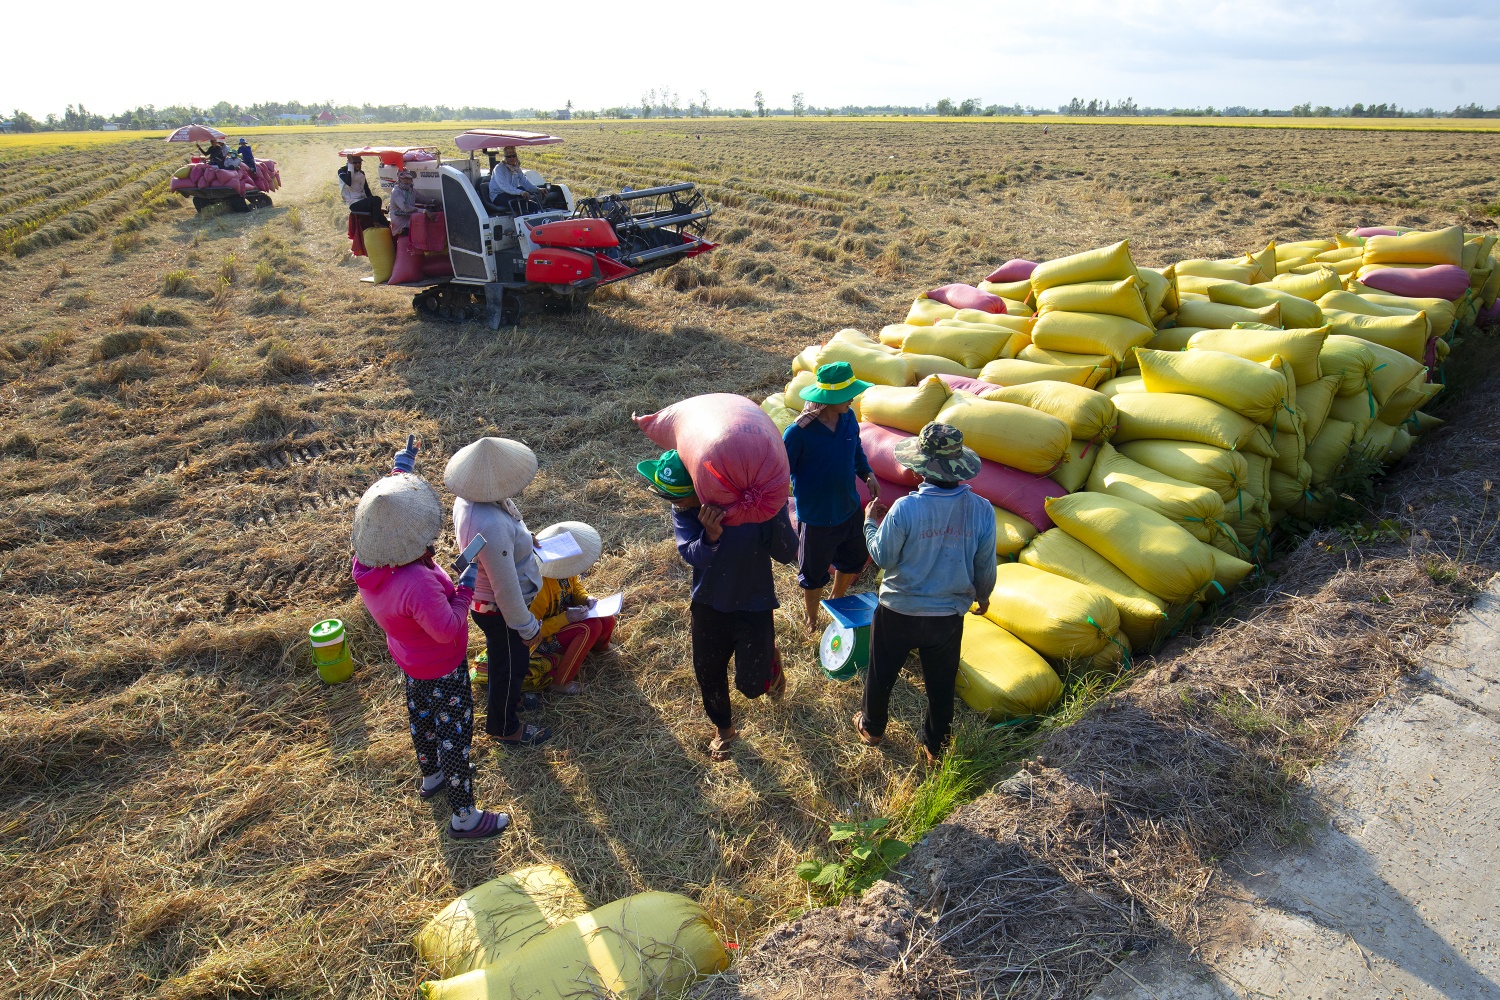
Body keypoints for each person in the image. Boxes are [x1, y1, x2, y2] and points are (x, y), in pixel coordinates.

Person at [349, 436, 509, 840]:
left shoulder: (370, 562)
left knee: (421, 717)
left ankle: (432, 775)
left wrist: (402, 467)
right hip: (441, 666)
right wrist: (465, 587)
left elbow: (390, 510)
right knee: (454, 734)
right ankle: (464, 816)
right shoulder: (416, 583)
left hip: (410, 660)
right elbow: (448, 627)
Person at [638, 449, 796, 761]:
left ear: (701, 489)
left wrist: (774, 507)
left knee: (752, 686)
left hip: (755, 602)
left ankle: (769, 660)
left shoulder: (752, 506)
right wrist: (710, 536)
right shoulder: (685, 511)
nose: (674, 504)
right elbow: (690, 554)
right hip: (709, 602)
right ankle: (724, 729)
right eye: (668, 498)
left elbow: (786, 553)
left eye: (678, 497)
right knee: (708, 672)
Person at [855, 423, 997, 767]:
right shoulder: (982, 510)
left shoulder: (905, 508)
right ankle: (935, 747)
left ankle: (872, 729)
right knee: (941, 683)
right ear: (958, 468)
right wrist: (983, 595)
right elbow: (985, 565)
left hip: (898, 611)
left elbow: (883, 557)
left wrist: (870, 524)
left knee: (881, 673)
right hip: (946, 617)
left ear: (920, 467)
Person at [446, 437, 552, 747]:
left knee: (506, 659)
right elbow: (505, 588)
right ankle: (504, 727)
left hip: (492, 607)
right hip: (500, 611)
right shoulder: (489, 524)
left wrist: (523, 538)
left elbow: (509, 523)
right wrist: (527, 627)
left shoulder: (471, 499)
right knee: (509, 667)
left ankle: (511, 699)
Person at [783, 361, 879, 631]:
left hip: (849, 507)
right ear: (827, 399)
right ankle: (811, 617)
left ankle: (837, 596)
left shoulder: (848, 418)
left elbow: (856, 450)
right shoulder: (798, 434)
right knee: (813, 573)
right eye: (846, 395)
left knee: (854, 557)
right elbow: (782, 473)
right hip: (817, 517)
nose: (852, 399)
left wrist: (867, 473)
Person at [525, 521, 616, 694]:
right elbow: (531, 631)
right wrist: (566, 619)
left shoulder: (565, 569)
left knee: (607, 619)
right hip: (541, 642)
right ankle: (560, 682)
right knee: (589, 628)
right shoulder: (539, 588)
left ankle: (599, 649)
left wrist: (586, 598)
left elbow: (574, 587)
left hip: (564, 617)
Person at [487, 145, 541, 214]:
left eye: (513, 156)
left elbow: (525, 182)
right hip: (498, 195)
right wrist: (521, 192)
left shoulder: (516, 168)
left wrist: (538, 189)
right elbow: (504, 186)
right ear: (505, 157)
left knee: (534, 205)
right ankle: (522, 217)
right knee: (520, 203)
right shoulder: (499, 169)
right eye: (509, 156)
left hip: (511, 194)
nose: (511, 158)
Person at [339, 155, 388, 225]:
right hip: (354, 203)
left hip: (363, 201)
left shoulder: (361, 173)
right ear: (350, 163)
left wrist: (377, 207)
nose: (358, 165)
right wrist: (350, 165)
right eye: (355, 163)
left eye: (359, 162)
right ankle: (375, 222)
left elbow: (366, 190)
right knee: (376, 199)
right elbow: (348, 181)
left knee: (385, 223)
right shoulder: (342, 171)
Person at [390, 168, 432, 238]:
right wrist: (423, 211)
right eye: (403, 178)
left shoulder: (411, 190)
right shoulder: (396, 191)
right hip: (400, 224)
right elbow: (405, 207)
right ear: (399, 179)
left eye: (408, 178)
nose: (406, 180)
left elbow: (422, 198)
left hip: (409, 220)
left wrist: (433, 201)